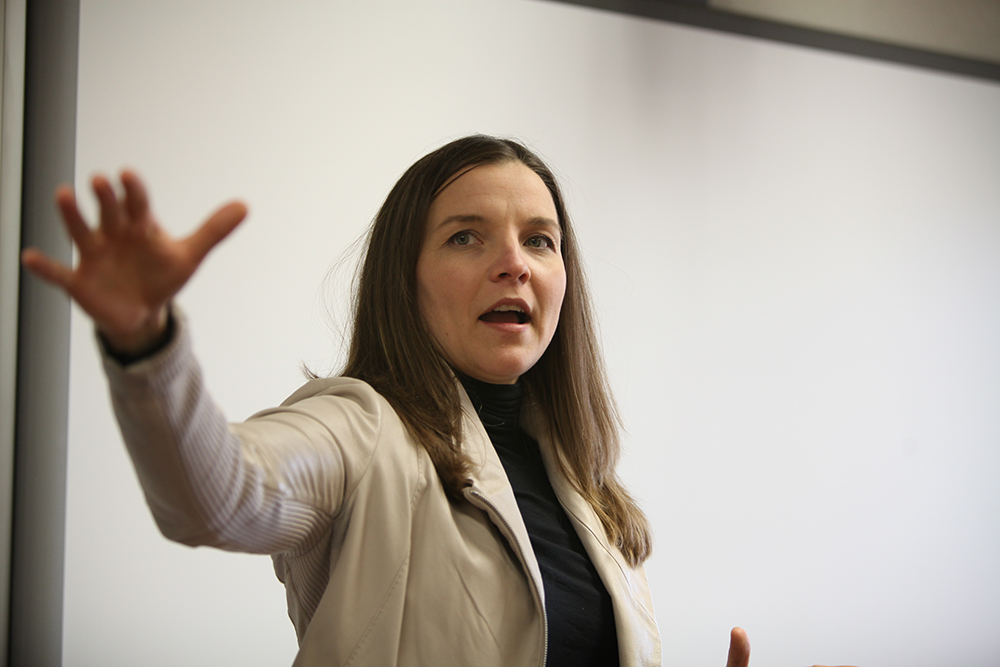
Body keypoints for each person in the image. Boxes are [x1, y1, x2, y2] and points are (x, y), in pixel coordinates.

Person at [23, 135, 757, 666]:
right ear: (404, 280)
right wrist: (146, 344)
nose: (513, 264)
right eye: (467, 236)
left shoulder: (592, 494)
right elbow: (214, 495)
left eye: (540, 240)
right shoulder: (362, 425)